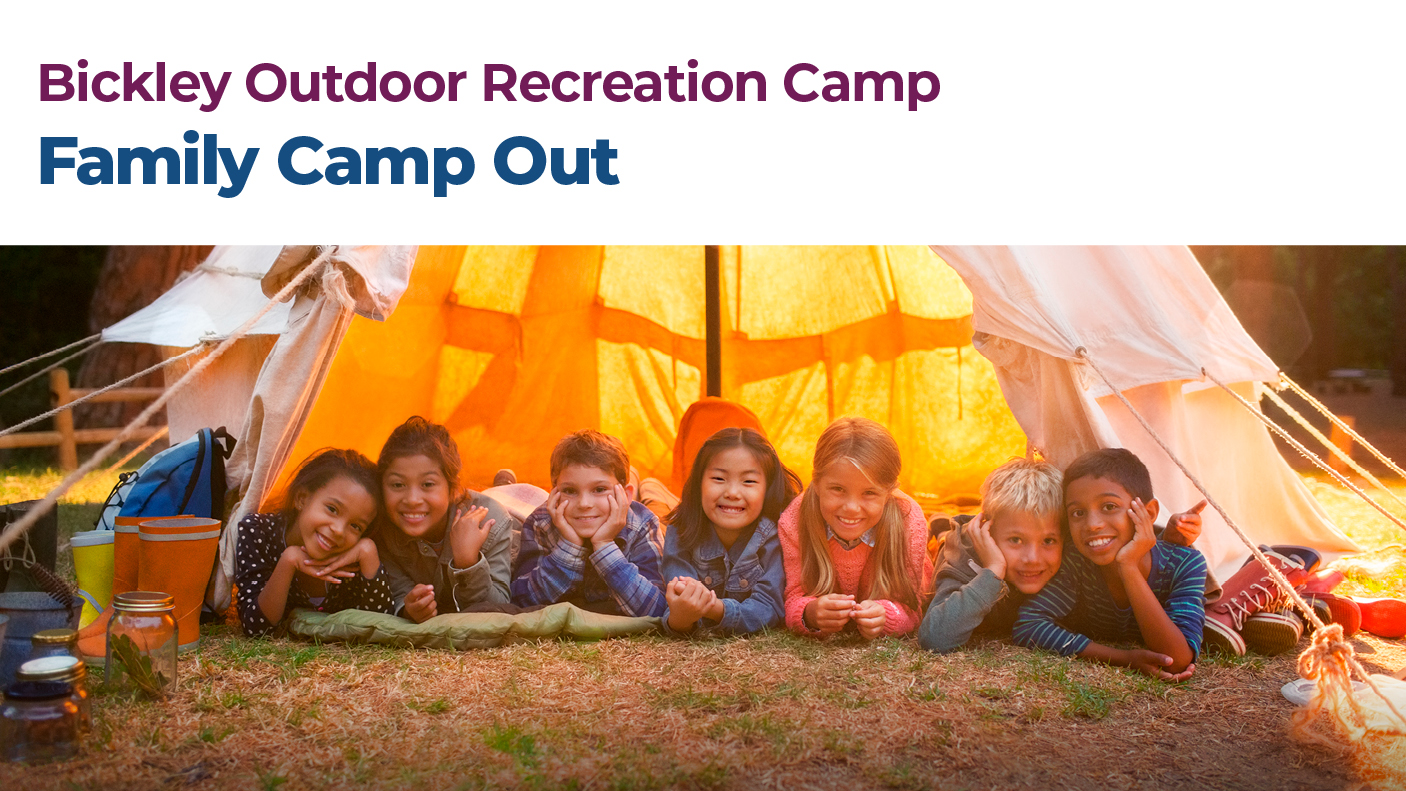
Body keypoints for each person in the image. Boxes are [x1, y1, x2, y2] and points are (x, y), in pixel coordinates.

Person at [919, 457, 1205, 653]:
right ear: (989, 533)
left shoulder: (1073, 549)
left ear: (1065, 535)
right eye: (1016, 540)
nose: (1032, 557)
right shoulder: (968, 557)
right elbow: (936, 637)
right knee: (946, 539)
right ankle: (942, 530)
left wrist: (1165, 538)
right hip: (962, 549)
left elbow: (1109, 537)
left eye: (1048, 540)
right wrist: (992, 570)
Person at [1013, 448, 1207, 680]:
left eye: (1109, 507)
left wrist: (1128, 567)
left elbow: (1175, 660)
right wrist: (1122, 658)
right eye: (1078, 512)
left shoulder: (1186, 564)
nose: (1092, 524)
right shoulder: (1077, 561)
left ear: (1149, 512)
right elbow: (1029, 624)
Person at [779, 417, 931, 639]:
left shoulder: (909, 521)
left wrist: (887, 616)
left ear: (888, 493)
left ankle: (942, 535)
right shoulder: (794, 521)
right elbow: (793, 596)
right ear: (817, 483)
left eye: (869, 493)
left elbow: (912, 607)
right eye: (838, 489)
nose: (851, 508)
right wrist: (810, 614)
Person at [235, 448, 394, 636]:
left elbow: (381, 622)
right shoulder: (258, 532)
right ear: (302, 498)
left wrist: (368, 551)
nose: (338, 530)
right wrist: (288, 561)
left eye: (356, 526)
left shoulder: (356, 555)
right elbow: (256, 628)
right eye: (332, 509)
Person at [661, 427, 801, 636]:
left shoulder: (776, 533)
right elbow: (678, 601)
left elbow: (770, 607)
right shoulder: (682, 528)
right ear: (699, 483)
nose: (733, 493)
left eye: (749, 482)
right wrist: (680, 618)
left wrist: (716, 609)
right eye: (718, 478)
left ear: (767, 489)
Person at [511, 429, 667, 617]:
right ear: (554, 493)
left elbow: (658, 609)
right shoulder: (541, 523)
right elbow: (520, 601)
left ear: (625, 494)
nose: (584, 504)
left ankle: (653, 487)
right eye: (569, 490)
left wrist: (604, 546)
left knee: (661, 508)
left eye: (599, 489)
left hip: (644, 510)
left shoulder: (644, 524)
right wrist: (569, 547)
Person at [374, 416, 515, 622]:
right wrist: (408, 608)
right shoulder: (382, 529)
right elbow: (398, 591)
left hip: (514, 523)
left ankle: (506, 487)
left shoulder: (492, 522)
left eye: (428, 484)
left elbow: (500, 606)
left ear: (453, 488)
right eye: (397, 485)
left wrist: (468, 563)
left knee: (518, 499)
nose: (412, 500)